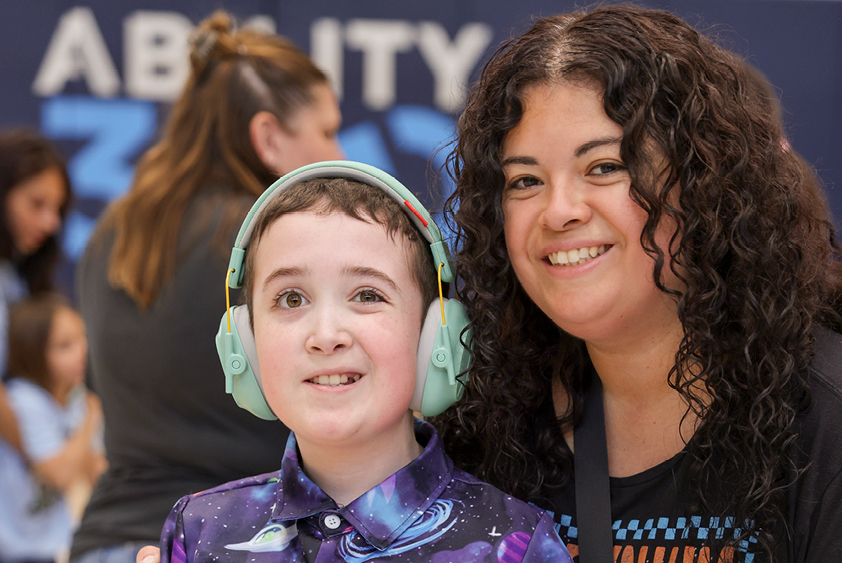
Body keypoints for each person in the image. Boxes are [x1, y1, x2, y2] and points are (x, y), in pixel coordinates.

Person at [433, 4, 842, 563]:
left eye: (605, 167)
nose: (559, 211)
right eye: (525, 180)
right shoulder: (488, 422)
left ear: (701, 188)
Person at [159, 162, 572, 563]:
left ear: (435, 338)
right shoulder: (198, 533)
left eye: (367, 296)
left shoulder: (513, 543)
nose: (325, 336)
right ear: (243, 344)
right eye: (291, 299)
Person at [71, 11, 345, 563]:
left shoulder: (111, 235)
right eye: (328, 130)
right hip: (232, 541)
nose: (340, 155)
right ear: (268, 137)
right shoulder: (275, 246)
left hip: (103, 541)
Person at [0, 293, 105, 563]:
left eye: (83, 339)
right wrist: (93, 414)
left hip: (46, 545)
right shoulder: (25, 400)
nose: (82, 352)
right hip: (17, 547)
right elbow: (61, 473)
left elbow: (97, 471)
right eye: (64, 346)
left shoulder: (72, 404)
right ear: (33, 353)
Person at [0, 129, 71, 458]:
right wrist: (45, 458)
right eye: (36, 204)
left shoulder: (18, 277)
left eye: (56, 208)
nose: (50, 223)